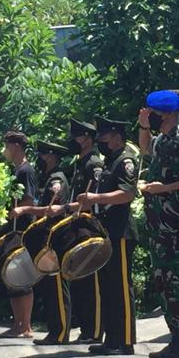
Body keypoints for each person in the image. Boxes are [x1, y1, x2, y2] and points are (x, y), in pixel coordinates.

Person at [137, 90, 179, 358]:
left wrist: (167, 188)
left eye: (153, 114)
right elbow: (144, 148)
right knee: (164, 279)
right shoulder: (162, 139)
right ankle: (176, 336)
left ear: (166, 114)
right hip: (158, 223)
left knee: (178, 278)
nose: (151, 117)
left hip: (174, 220)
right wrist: (143, 126)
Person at [72, 116, 138, 356]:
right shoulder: (111, 162)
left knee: (120, 287)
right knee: (108, 287)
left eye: (105, 136)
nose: (100, 141)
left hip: (121, 231)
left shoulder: (125, 161)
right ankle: (112, 338)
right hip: (106, 231)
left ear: (117, 137)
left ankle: (126, 340)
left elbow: (127, 193)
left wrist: (95, 199)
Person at [13, 140, 72, 345]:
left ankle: (61, 331)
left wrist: (25, 210)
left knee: (55, 286)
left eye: (43, 155)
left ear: (51, 157)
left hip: (54, 237)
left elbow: (50, 210)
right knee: (48, 286)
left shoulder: (57, 180)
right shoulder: (49, 178)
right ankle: (55, 330)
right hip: (46, 239)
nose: (40, 159)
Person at [0, 131, 39, 339]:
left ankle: (26, 325)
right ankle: (17, 323)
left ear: (15, 146)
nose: (5, 150)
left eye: (7, 145)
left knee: (22, 276)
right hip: (10, 227)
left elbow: (29, 201)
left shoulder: (26, 171)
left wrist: (14, 211)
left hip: (21, 228)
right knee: (10, 275)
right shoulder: (13, 171)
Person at [67, 119, 105, 344]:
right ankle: (85, 328)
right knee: (79, 280)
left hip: (89, 227)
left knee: (91, 283)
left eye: (77, 137)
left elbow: (94, 198)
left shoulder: (93, 164)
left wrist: (67, 208)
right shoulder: (80, 163)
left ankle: (94, 330)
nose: (73, 141)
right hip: (77, 226)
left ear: (88, 139)